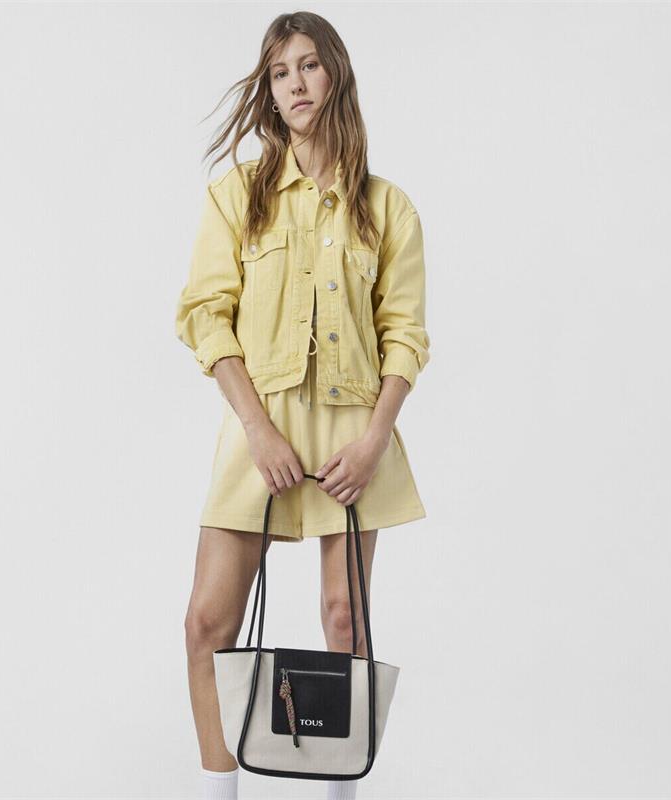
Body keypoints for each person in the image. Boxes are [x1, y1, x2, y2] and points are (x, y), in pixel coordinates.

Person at [175, 11, 430, 800]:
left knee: (344, 621)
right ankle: (219, 793)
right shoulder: (237, 197)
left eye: (309, 66)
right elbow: (204, 316)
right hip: (259, 432)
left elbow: (405, 336)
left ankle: (339, 793)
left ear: (336, 75)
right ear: (270, 89)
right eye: (281, 72)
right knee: (207, 623)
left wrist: (375, 442)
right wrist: (257, 430)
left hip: (354, 435)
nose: (295, 84)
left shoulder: (387, 208)